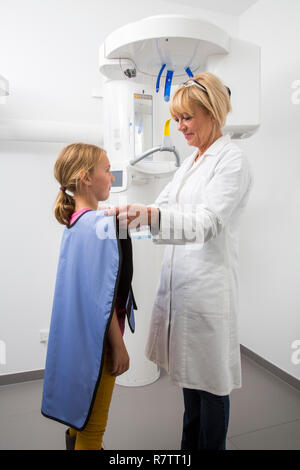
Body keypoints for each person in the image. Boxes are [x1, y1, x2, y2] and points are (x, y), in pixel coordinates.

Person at [105, 72, 253, 450]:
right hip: (184, 290)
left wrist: (150, 217)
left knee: (212, 389)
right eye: (178, 118)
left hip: (208, 290)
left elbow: (207, 223)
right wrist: (125, 215)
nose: (180, 127)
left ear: (213, 112)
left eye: (187, 117)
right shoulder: (190, 163)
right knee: (191, 391)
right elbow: (163, 206)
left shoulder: (231, 160)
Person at [41, 143, 137, 450]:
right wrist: (118, 345)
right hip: (101, 342)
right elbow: (101, 299)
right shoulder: (101, 225)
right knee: (93, 430)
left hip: (77, 340)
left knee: (77, 417)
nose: (111, 177)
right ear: (85, 177)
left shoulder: (75, 223)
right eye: (106, 170)